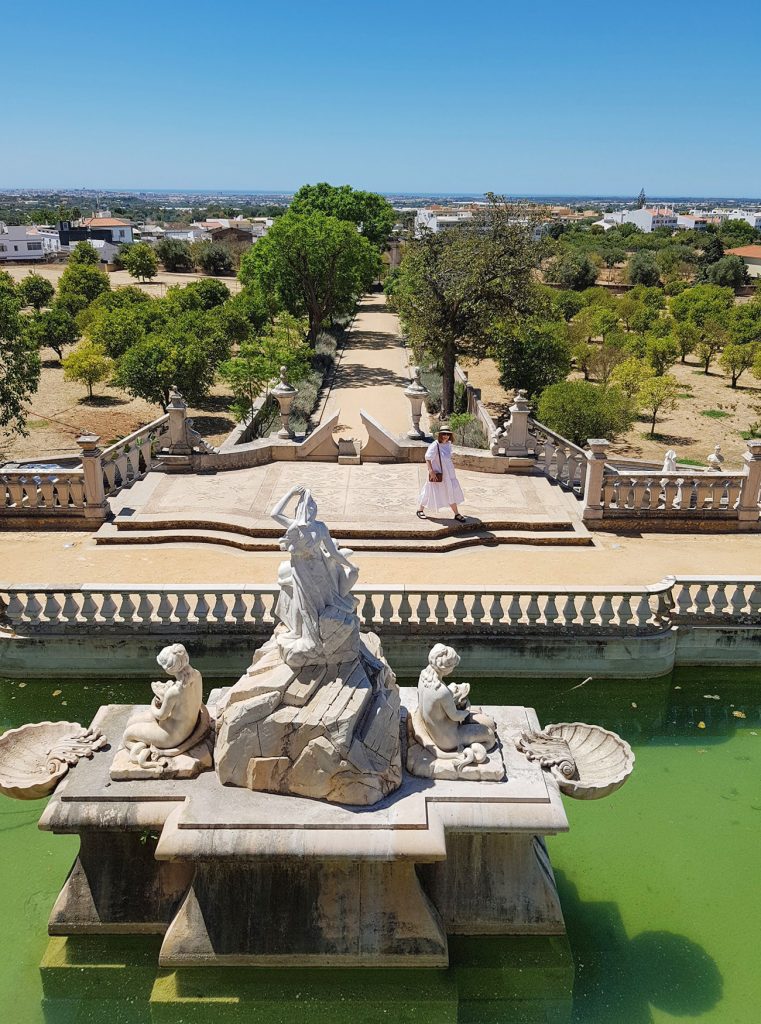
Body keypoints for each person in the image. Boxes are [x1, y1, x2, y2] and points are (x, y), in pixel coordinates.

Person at [416, 424, 466, 521]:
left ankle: (456, 514)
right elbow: (427, 458)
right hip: (437, 474)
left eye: (447, 434)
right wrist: (431, 471)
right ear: (440, 435)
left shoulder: (448, 444)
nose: (445, 436)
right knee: (429, 491)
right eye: (443, 434)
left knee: (450, 492)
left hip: (449, 474)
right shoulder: (435, 445)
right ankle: (420, 510)